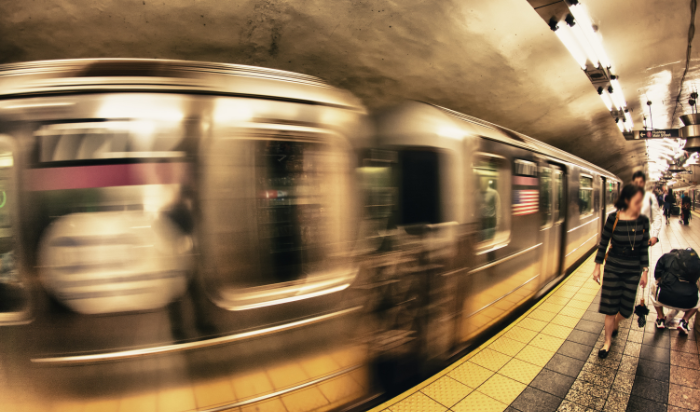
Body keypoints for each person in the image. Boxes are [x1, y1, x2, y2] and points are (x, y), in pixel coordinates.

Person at [592, 184, 649, 358]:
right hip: (613, 267)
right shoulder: (613, 218)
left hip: (633, 270)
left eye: (641, 202)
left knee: (625, 311)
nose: (640, 205)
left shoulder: (643, 221)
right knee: (610, 308)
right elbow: (603, 243)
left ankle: (616, 323)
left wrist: (645, 271)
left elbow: (644, 249)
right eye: (637, 201)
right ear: (627, 200)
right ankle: (607, 342)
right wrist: (597, 265)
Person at [651, 248, 700, 334]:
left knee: (654, 285)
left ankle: (660, 318)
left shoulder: (666, 257)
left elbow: (657, 276)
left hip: (663, 299)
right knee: (698, 300)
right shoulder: (695, 263)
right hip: (689, 303)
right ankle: (685, 321)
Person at [632, 171, 662, 246]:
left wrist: (655, 235)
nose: (638, 184)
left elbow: (657, 217)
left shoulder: (650, 197)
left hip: (643, 236)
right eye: (636, 182)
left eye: (641, 182)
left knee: (641, 257)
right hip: (626, 236)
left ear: (644, 183)